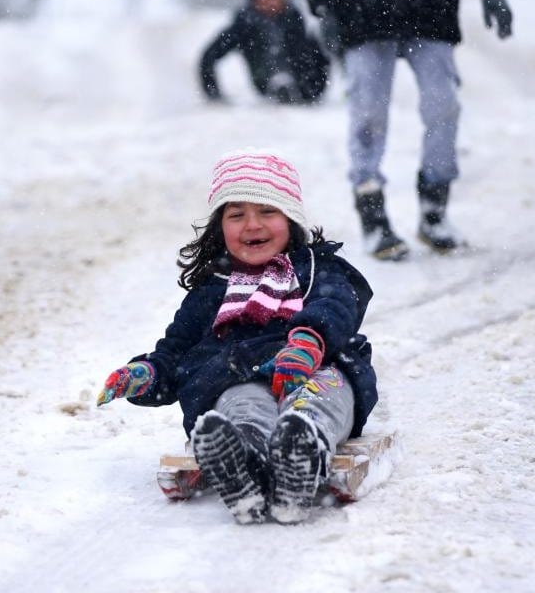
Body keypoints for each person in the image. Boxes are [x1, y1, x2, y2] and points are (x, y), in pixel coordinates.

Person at [95, 151, 378, 525]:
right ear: (219, 227)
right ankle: (243, 462)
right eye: (236, 214)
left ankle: (302, 451)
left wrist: (308, 341)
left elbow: (336, 306)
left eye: (267, 212)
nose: (252, 225)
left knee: (319, 399)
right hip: (239, 376)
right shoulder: (211, 290)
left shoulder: (316, 270)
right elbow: (176, 352)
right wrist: (146, 373)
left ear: (291, 219)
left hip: (314, 368)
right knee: (241, 405)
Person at [303, 0, 513, 260]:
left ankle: (434, 209)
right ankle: (372, 213)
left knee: (444, 106)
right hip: (359, 2)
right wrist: (323, 6)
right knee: (368, 114)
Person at [198, 0, 330, 105]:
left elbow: (319, 59)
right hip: (265, 83)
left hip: (303, 88)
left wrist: (313, 90)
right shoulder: (244, 24)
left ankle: (288, 85)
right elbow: (209, 57)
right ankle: (279, 84)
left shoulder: (295, 20)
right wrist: (214, 95)